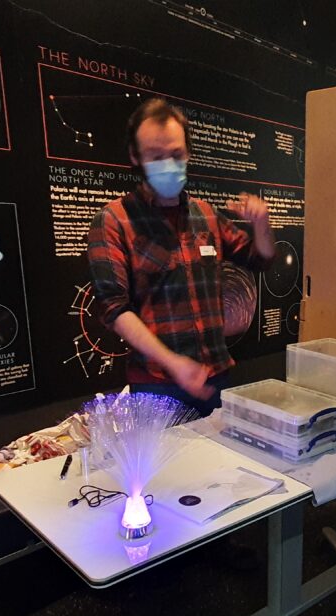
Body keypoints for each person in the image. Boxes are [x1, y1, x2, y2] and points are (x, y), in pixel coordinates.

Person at [87, 97, 278, 415]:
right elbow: (113, 308)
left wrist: (261, 224)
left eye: (176, 154)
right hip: (156, 384)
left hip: (214, 377)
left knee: (221, 464)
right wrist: (173, 363)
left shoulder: (205, 215)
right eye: (155, 156)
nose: (168, 164)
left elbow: (261, 259)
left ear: (188, 152)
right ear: (136, 157)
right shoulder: (113, 220)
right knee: (165, 466)